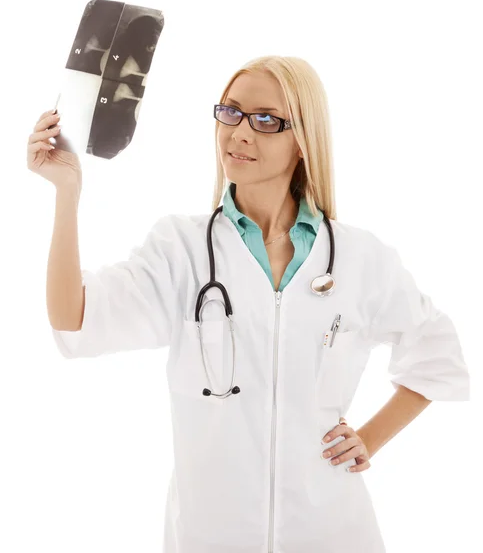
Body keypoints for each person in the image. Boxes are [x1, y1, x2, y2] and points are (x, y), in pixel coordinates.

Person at [27, 55, 471, 553]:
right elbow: (74, 320)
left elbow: (437, 356)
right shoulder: (182, 248)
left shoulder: (359, 258)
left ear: (303, 140)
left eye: (265, 120)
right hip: (213, 532)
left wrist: (370, 437)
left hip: (331, 530)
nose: (239, 132)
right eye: (231, 112)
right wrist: (67, 194)